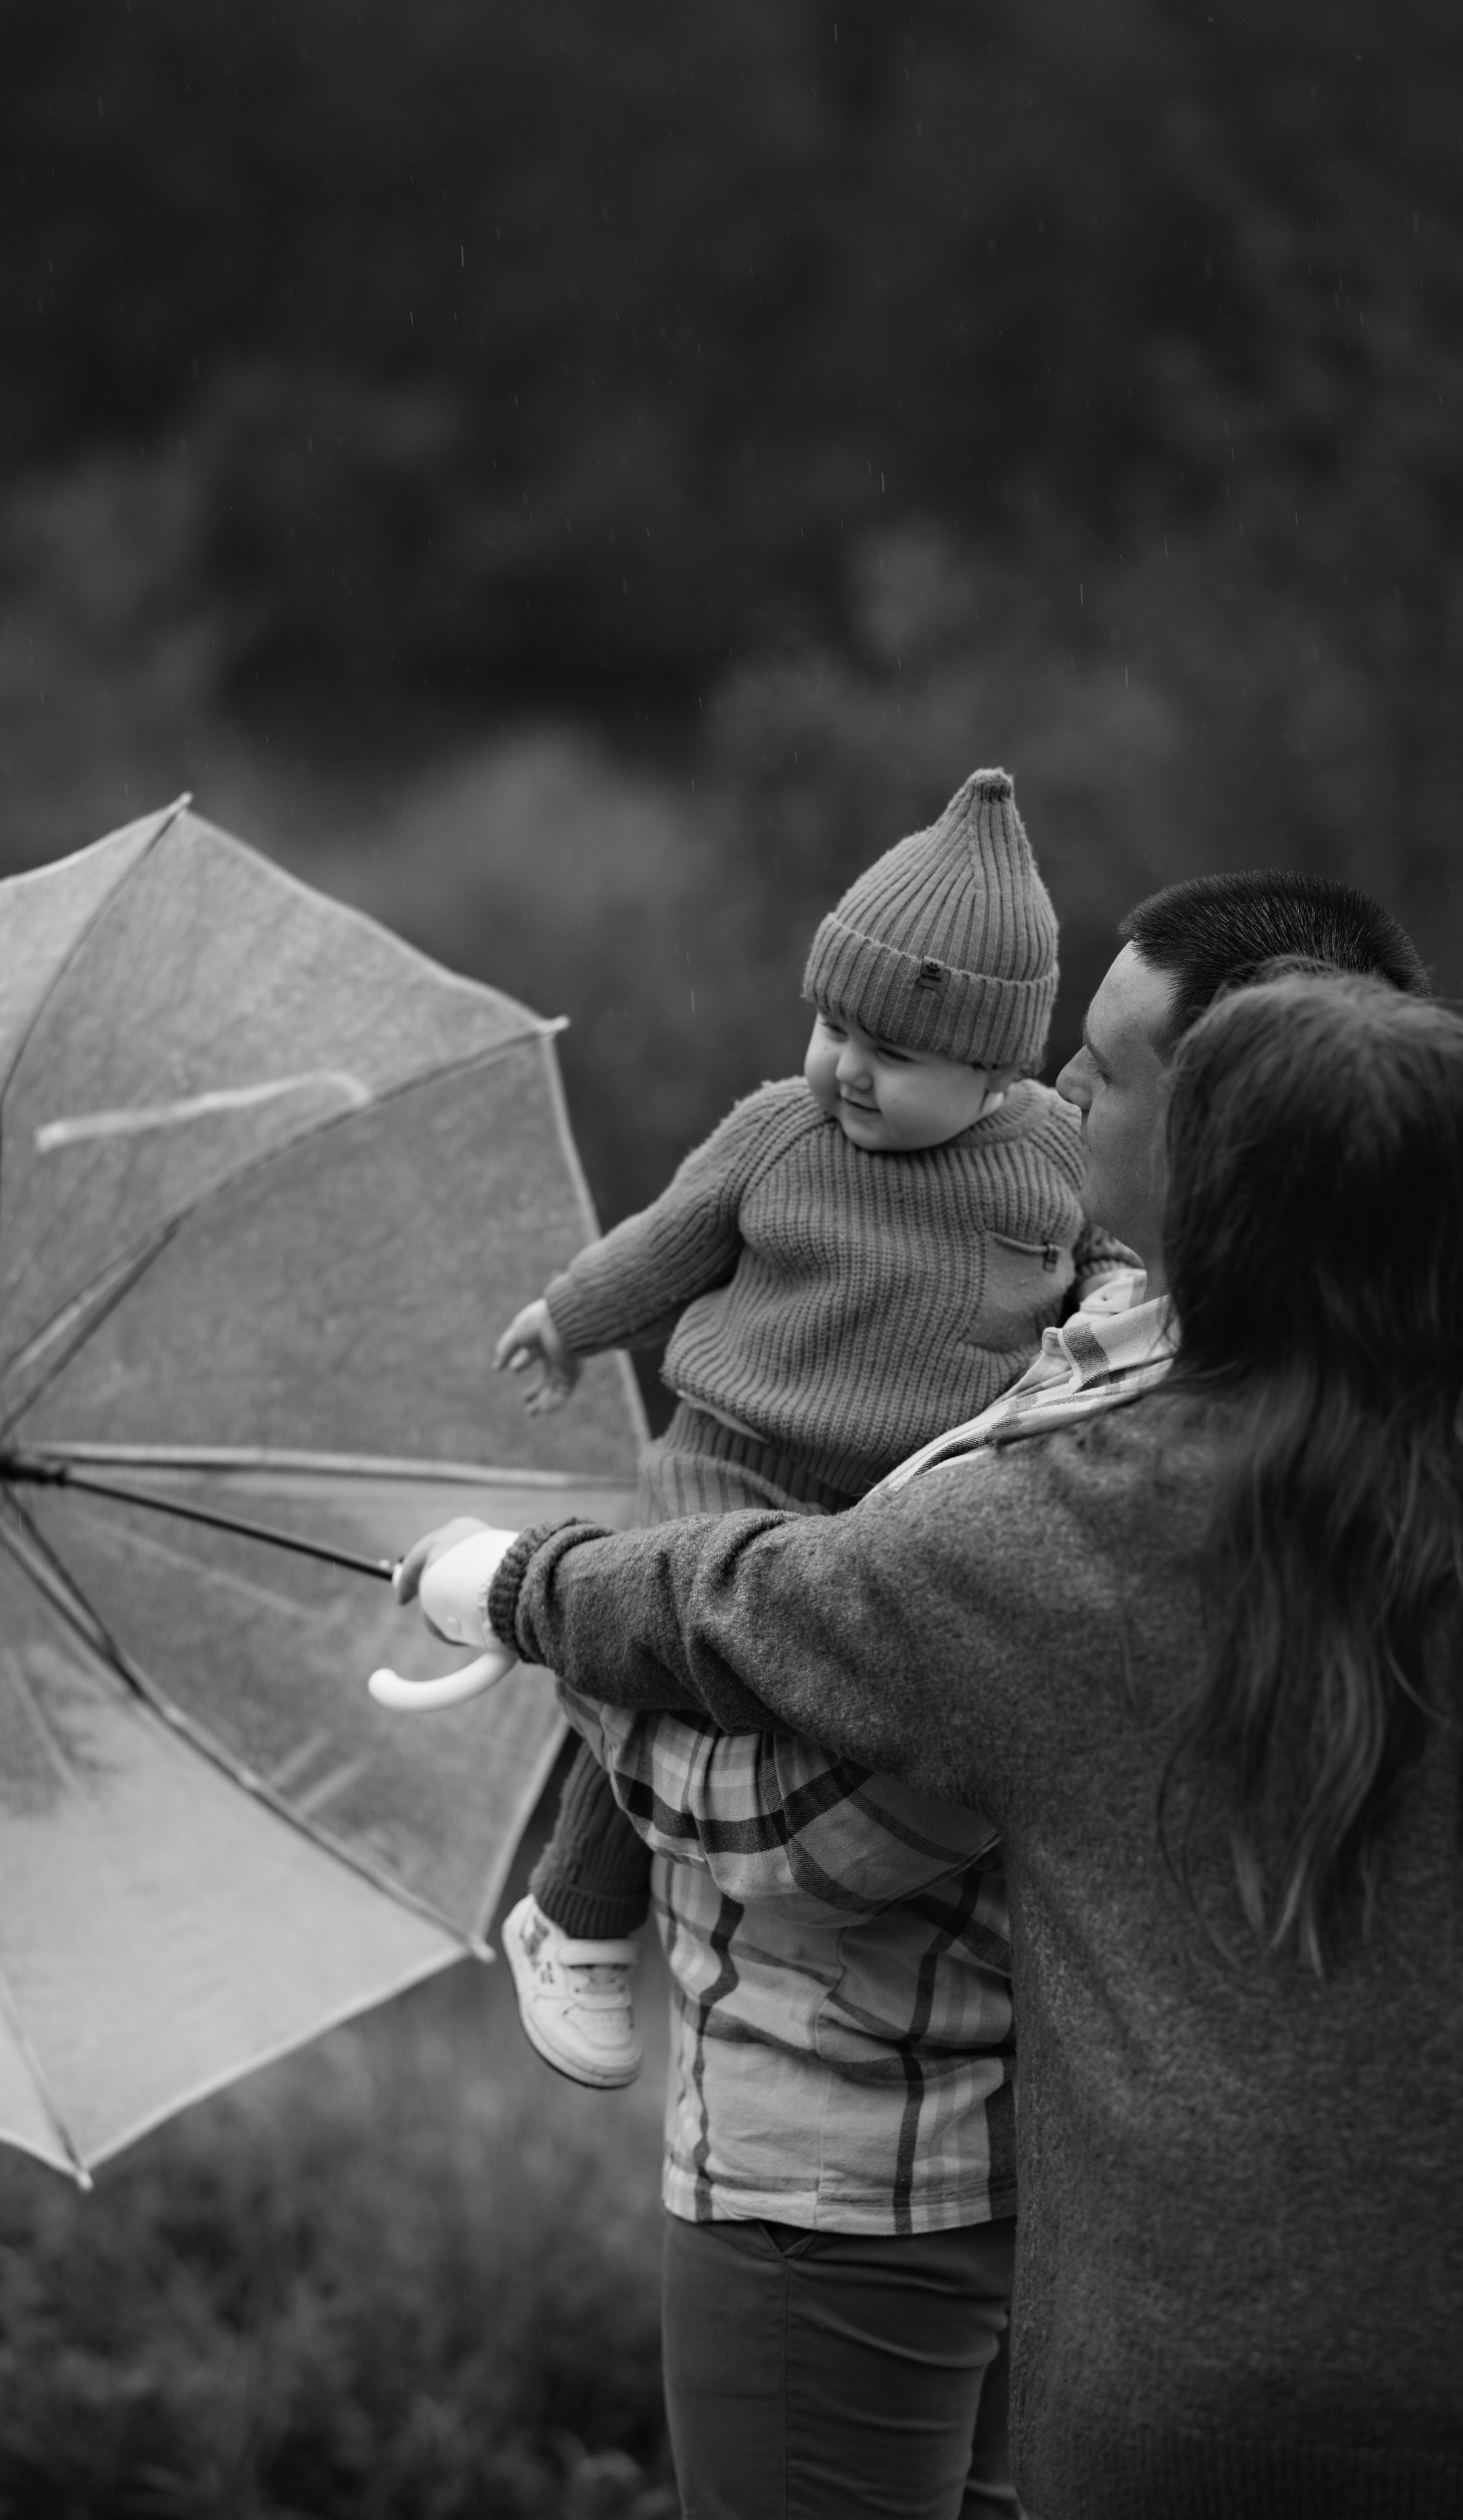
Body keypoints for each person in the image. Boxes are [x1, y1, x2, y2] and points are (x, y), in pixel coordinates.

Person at [408, 965, 1463, 2519]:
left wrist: (510, 1583)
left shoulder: (1102, 1515)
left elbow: (748, 1605)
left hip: (1169, 2386)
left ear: (1214, 1214)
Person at [492, 766, 1114, 2093]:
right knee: (661, 1651)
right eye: (832, 1025)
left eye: (892, 1051)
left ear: (994, 1064)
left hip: (895, 1497)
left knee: (832, 1693)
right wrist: (569, 1316)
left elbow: (1095, 1261)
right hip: (732, 1453)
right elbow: (669, 1242)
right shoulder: (781, 1133)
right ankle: (575, 1914)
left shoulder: (1050, 1154)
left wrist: (1119, 1300)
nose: (846, 1066)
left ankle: (807, 1932)